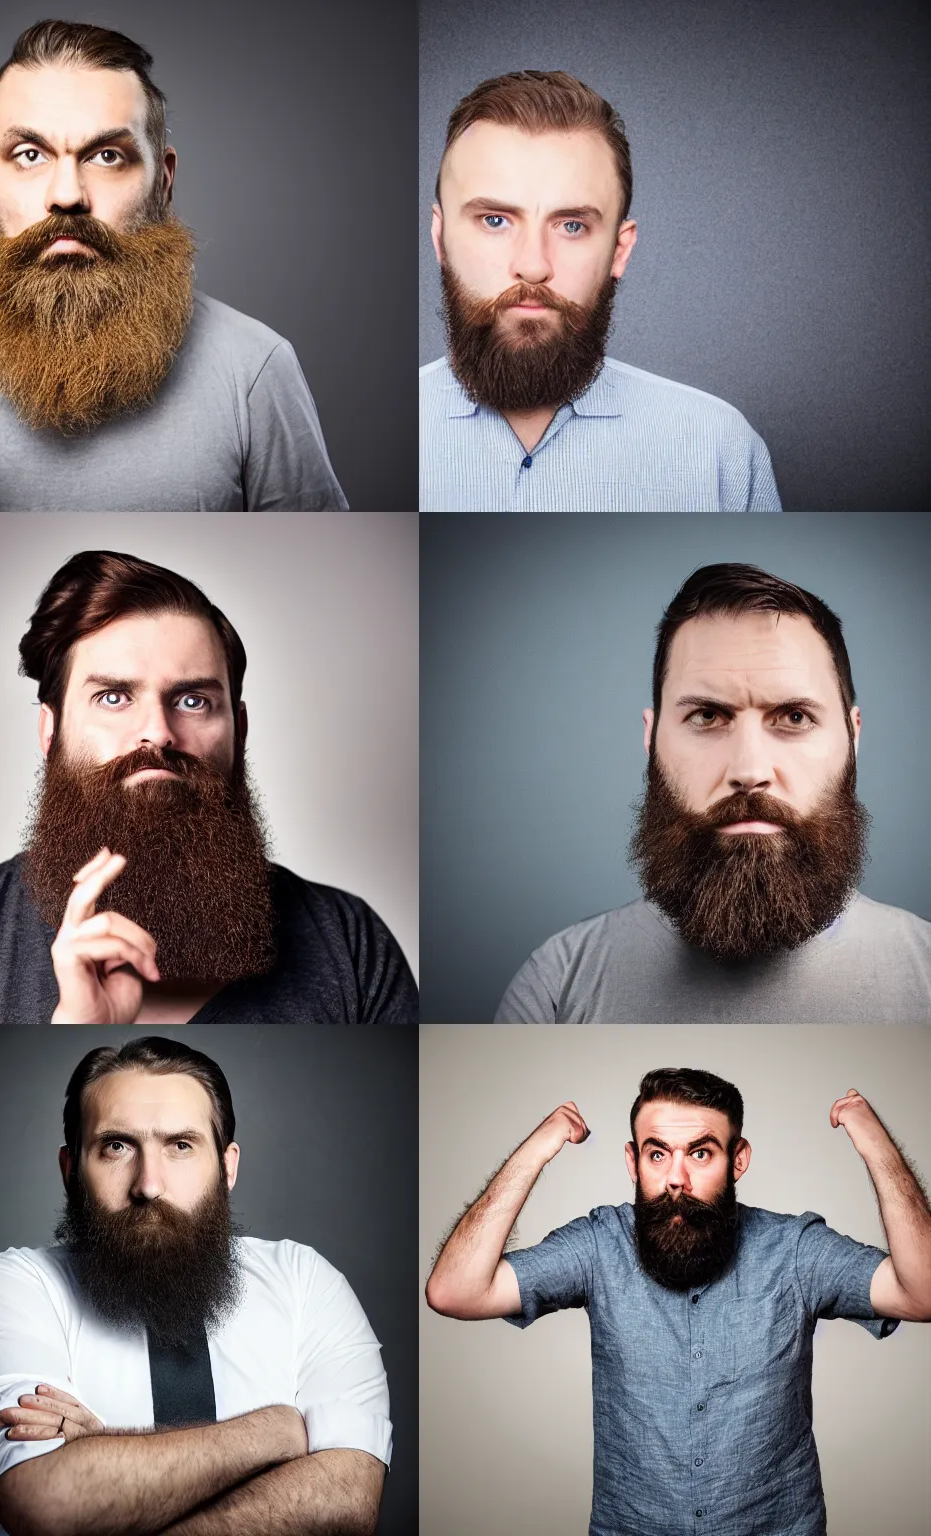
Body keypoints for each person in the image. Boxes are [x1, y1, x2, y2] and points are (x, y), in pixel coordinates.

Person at [0, 550, 418, 1023]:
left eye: (193, 701)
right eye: (113, 697)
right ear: (50, 729)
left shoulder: (351, 943)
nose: (157, 731)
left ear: (239, 730)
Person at [426, 1068, 928, 1534]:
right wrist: (536, 1150)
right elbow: (454, 1291)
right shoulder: (600, 1244)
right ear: (633, 1160)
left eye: (701, 1153)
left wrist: (876, 1147)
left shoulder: (794, 1250)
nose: (676, 1180)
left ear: (739, 1159)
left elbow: (921, 1294)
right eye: (658, 1153)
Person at [0, 1037, 390, 1536]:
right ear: (71, 1172)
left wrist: (110, 1460)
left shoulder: (306, 1282)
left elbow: (347, 1504)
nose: (149, 1184)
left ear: (228, 1167)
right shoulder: (13, 1287)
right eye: (116, 1146)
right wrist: (277, 1431)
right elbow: (46, 1505)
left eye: (180, 1146)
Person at [0, 20, 347, 511]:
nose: (68, 195)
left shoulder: (255, 370)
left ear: (164, 178)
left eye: (108, 156)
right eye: (30, 155)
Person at [497, 563, 931, 1021]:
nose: (749, 770)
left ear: (853, 736)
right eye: (707, 716)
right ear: (651, 738)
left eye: (795, 717)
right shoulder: (556, 985)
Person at [421, 70, 782, 512]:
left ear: (619, 249)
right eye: (495, 220)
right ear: (440, 238)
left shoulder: (720, 452)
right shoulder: (372, 441)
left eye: (572, 225)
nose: (533, 266)